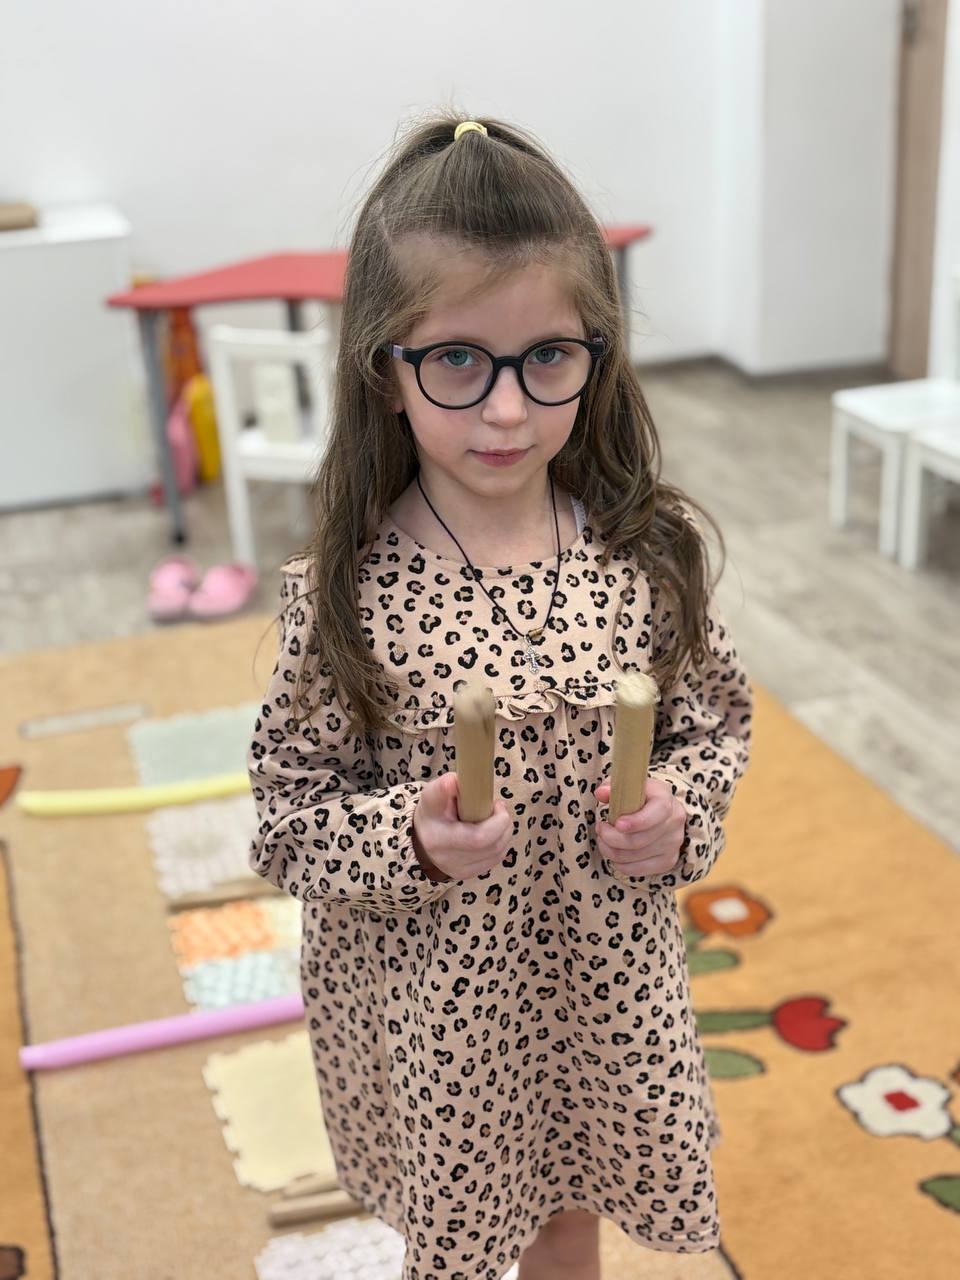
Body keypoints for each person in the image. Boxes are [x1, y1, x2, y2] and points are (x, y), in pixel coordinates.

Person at [248, 114, 753, 1280]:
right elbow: (284, 819)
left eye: (548, 358)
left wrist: (680, 812)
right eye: (458, 361)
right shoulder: (347, 595)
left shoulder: (647, 554)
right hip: (448, 1027)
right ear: (385, 371)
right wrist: (410, 835)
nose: (510, 410)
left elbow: (714, 726)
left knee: (573, 1210)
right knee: (468, 1236)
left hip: (604, 993)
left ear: (595, 355)